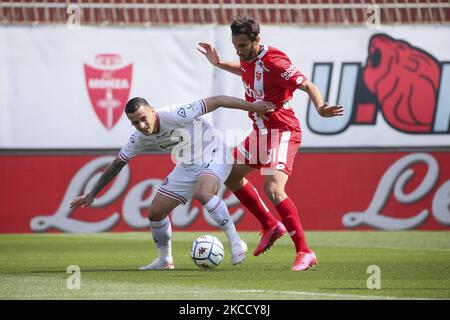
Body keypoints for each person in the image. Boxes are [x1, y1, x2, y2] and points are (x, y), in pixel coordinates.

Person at [198, 16, 343, 271]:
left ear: (257, 40)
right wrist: (219, 63)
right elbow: (244, 68)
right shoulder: (247, 56)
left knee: (273, 186)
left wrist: (320, 107)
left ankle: (305, 251)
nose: (238, 50)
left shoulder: (275, 61)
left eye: (242, 45)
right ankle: (269, 225)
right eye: (235, 44)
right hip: (260, 131)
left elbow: (307, 84)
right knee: (230, 175)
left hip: (282, 130)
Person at [70, 95, 275, 270]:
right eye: (135, 123)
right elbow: (117, 163)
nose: (142, 126)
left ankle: (235, 241)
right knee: (155, 213)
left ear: (152, 111)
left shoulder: (176, 113)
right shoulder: (139, 138)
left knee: (203, 193)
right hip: (187, 165)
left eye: (143, 119)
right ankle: (165, 260)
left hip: (214, 153)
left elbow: (218, 100)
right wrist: (92, 193)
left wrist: (253, 106)